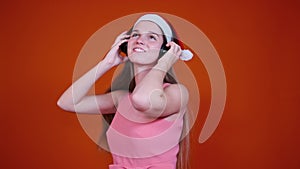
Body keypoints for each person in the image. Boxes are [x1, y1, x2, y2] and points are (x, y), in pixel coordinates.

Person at [57, 14, 192, 169]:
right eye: (135, 34)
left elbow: (143, 100)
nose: (140, 40)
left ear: (165, 49)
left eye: (152, 37)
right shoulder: (121, 99)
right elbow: (67, 103)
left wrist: (164, 63)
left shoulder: (177, 93)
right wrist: (107, 63)